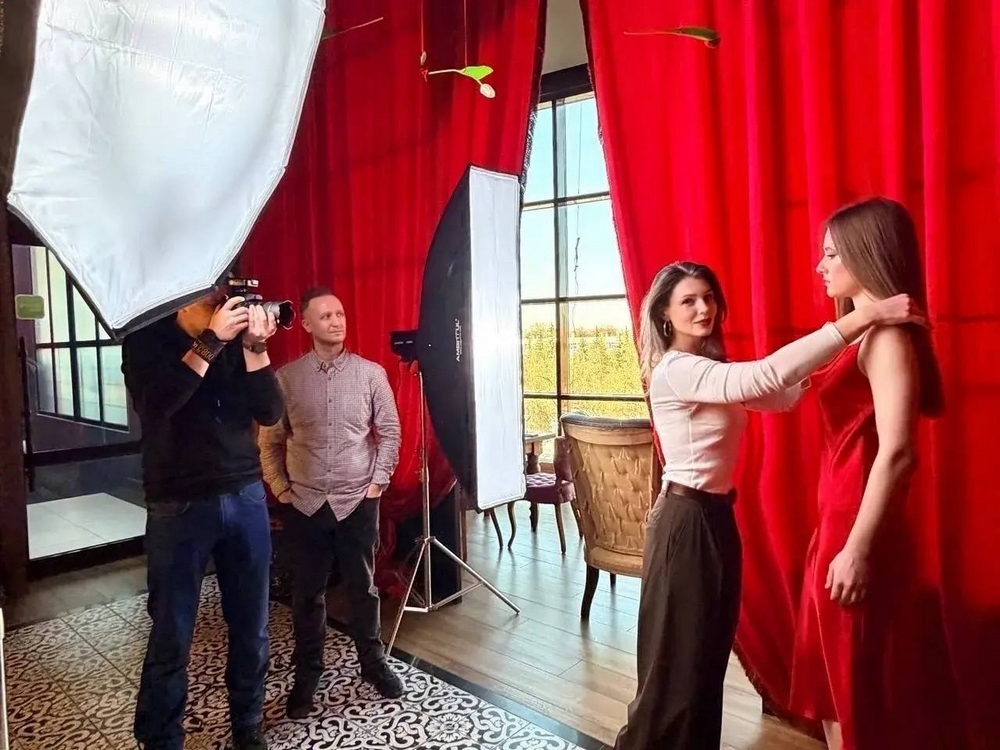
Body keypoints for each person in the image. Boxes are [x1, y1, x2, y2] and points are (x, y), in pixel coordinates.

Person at [614, 260, 924, 750]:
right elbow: (763, 377)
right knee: (674, 672)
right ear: (664, 316)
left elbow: (781, 394)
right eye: (688, 301)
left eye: (708, 297)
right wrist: (862, 317)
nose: (704, 308)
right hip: (684, 523)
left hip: (714, 520)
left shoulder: (710, 371)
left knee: (704, 666)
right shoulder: (677, 370)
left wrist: (841, 365)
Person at [788, 197, 945, 750]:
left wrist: (856, 547)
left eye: (832, 254)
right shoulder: (863, 332)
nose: (821, 266)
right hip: (839, 517)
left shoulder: (888, 339)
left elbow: (899, 452)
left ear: (866, 253)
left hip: (857, 524)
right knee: (838, 686)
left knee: (856, 692)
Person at [123, 288, 283, 750]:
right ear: (182, 296)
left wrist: (255, 346)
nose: (222, 294)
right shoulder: (145, 338)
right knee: (171, 632)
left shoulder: (233, 341)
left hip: (245, 493)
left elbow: (270, 411)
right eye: (213, 291)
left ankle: (247, 725)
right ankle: (161, 738)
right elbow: (158, 406)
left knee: (252, 626)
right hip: (178, 502)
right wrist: (209, 342)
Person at [259, 286, 403, 719]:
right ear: (305, 323)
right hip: (304, 504)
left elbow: (390, 433)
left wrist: (376, 484)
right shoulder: (286, 378)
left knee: (363, 588)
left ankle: (372, 663)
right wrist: (281, 489)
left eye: (340, 314)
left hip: (357, 500)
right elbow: (270, 441)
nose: (336, 321)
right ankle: (307, 674)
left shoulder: (371, 374)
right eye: (325, 316)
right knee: (307, 594)